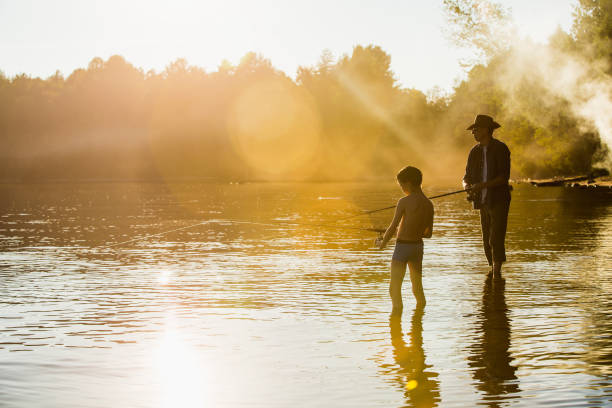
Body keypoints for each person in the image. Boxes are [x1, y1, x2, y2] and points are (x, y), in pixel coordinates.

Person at [378, 166, 434, 315]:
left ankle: (397, 315)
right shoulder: (429, 204)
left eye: (401, 185)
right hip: (417, 248)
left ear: (408, 183)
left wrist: (382, 243)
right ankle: (420, 317)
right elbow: (428, 234)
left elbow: (392, 227)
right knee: (417, 286)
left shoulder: (404, 201)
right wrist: (411, 230)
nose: (402, 188)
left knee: (394, 287)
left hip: (402, 248)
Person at [462, 114, 511, 279]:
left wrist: (481, 185)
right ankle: (493, 271)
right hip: (482, 201)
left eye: (475, 129)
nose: (473, 133)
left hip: (499, 200)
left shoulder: (500, 148)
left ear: (486, 130)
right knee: (486, 240)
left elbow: (503, 178)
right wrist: (467, 186)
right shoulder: (474, 152)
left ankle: (497, 274)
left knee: (495, 238)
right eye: (473, 130)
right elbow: (466, 177)